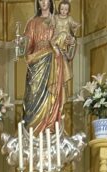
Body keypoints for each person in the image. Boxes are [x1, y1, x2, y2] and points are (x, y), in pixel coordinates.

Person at [21, 0, 76, 133]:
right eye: (41, 0)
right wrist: (21, 44)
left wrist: (72, 42)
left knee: (53, 94)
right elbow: (27, 47)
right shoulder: (32, 22)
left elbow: (67, 42)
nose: (44, 2)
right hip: (36, 62)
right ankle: (32, 131)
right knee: (32, 95)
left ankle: (50, 126)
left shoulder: (58, 20)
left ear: (51, 2)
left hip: (54, 60)